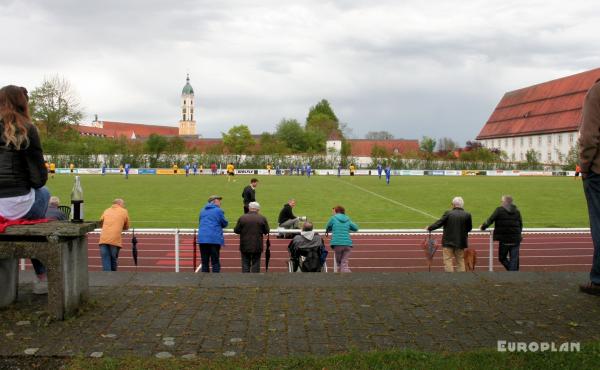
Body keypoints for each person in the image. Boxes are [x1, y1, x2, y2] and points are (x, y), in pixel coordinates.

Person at [0, 85, 50, 294]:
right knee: (45, 195)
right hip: (18, 205)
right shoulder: (28, 128)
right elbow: (39, 180)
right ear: (22, 103)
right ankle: (41, 277)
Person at [578, 78, 600, 295]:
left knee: (599, 223)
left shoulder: (597, 91)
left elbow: (589, 137)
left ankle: (598, 279)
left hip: (598, 172)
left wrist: (584, 167)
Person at [427, 197, 472, 272]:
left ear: (453, 205)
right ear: (462, 205)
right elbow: (469, 228)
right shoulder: (467, 215)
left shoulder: (448, 213)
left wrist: (430, 228)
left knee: (448, 260)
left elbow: (439, 223)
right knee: (460, 261)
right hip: (461, 242)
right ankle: (462, 280)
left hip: (448, 242)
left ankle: (450, 280)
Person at [480, 195, 523, 271]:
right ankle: (514, 274)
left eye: (502, 201)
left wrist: (483, 227)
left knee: (502, 258)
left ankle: (512, 275)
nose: (501, 203)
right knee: (514, 260)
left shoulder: (499, 210)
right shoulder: (517, 211)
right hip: (516, 239)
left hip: (504, 240)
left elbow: (490, 220)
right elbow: (520, 224)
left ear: (505, 202)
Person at [234, 202, 270, 272]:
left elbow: (236, 230)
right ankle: (255, 280)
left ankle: (245, 280)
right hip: (257, 244)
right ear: (258, 209)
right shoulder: (262, 218)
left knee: (245, 263)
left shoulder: (242, 217)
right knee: (256, 263)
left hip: (245, 244)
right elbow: (266, 231)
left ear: (249, 208)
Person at [197, 195, 228, 273]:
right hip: (214, 238)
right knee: (215, 261)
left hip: (202, 238)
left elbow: (200, 222)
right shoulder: (218, 210)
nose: (220, 202)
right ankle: (215, 281)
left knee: (204, 262)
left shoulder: (202, 210)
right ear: (214, 201)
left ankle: (204, 281)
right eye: (219, 200)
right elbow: (224, 223)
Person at [98, 199, 130, 271]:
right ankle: (113, 278)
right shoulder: (124, 211)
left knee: (105, 260)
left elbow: (100, 222)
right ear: (119, 204)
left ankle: (108, 278)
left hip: (103, 238)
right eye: (123, 204)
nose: (124, 205)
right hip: (115, 239)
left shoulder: (106, 210)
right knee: (113, 259)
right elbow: (127, 226)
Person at [326, 205, 359, 273]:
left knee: (340, 263)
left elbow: (327, 227)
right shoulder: (347, 219)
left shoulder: (333, 218)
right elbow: (355, 228)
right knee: (344, 263)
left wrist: (332, 229)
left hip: (337, 243)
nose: (333, 213)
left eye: (333, 211)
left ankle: (346, 277)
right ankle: (346, 275)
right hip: (347, 244)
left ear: (336, 211)